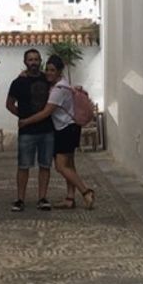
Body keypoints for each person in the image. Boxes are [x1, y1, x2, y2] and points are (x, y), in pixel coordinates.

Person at [19, 54, 95, 209]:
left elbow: (46, 112)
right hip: (71, 128)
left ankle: (86, 191)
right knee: (70, 165)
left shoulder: (58, 90)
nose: (48, 72)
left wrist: (26, 121)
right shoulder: (62, 84)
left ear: (59, 71)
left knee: (61, 166)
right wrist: (22, 75)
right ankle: (69, 198)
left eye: (52, 70)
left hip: (65, 130)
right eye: (47, 69)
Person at [6, 47, 54, 212]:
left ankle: (42, 198)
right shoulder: (18, 82)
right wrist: (22, 116)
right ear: (25, 62)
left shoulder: (48, 80)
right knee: (23, 166)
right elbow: (9, 104)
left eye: (36, 59)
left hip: (47, 129)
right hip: (27, 132)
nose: (33, 62)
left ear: (41, 61)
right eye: (30, 59)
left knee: (45, 165)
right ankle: (20, 199)